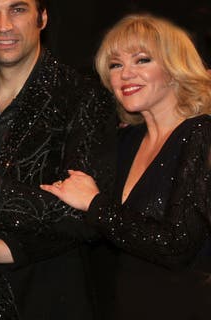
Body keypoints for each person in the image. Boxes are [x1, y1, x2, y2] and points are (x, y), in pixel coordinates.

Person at [0, 0, 118, 318]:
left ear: (43, 18)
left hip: (48, 299)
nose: (4, 25)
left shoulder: (84, 97)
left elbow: (86, 217)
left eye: (18, 9)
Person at [38, 14, 211, 320]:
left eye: (141, 60)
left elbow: (176, 245)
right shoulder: (125, 140)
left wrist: (95, 204)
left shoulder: (200, 133)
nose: (125, 74)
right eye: (115, 65)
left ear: (174, 69)